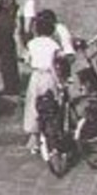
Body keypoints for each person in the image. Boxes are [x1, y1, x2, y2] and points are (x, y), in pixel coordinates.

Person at [22, 13, 65, 156]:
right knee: (51, 105)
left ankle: (34, 137)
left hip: (35, 77)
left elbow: (26, 60)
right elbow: (55, 64)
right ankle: (52, 134)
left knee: (33, 105)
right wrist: (59, 82)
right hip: (48, 77)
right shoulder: (54, 45)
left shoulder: (31, 44)